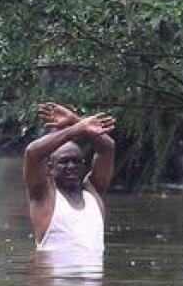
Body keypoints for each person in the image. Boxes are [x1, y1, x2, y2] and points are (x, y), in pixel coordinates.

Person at [24, 103, 115, 253]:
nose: (71, 166)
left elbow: (108, 148)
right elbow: (32, 153)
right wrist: (77, 129)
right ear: (50, 168)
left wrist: (75, 120)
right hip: (54, 277)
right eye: (64, 162)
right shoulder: (43, 195)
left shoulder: (93, 191)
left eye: (76, 161)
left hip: (92, 277)